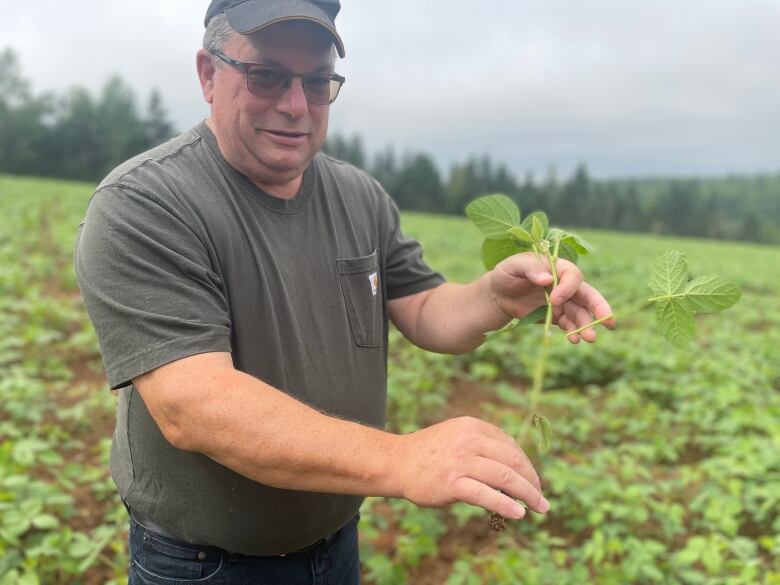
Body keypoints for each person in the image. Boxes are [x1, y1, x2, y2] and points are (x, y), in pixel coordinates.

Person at [74, 0, 615, 583]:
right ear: (209, 74)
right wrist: (403, 458)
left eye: (317, 82)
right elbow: (195, 406)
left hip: (335, 544)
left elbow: (424, 308)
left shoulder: (359, 195)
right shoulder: (146, 203)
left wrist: (496, 297)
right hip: (205, 564)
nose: (295, 105)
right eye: (268, 76)